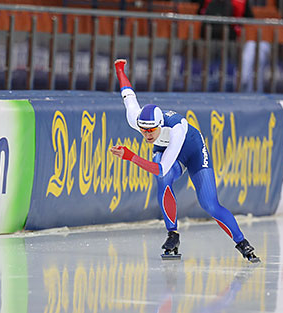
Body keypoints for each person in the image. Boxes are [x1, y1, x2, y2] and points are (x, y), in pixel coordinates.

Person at [109, 59, 260, 263]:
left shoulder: (177, 128)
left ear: (160, 125)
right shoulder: (136, 119)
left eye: (151, 130)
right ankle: (173, 234)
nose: (147, 135)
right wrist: (120, 70)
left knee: (209, 204)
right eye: (143, 130)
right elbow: (128, 94)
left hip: (193, 150)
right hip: (167, 149)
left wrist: (130, 156)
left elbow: (161, 168)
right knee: (164, 182)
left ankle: (242, 242)